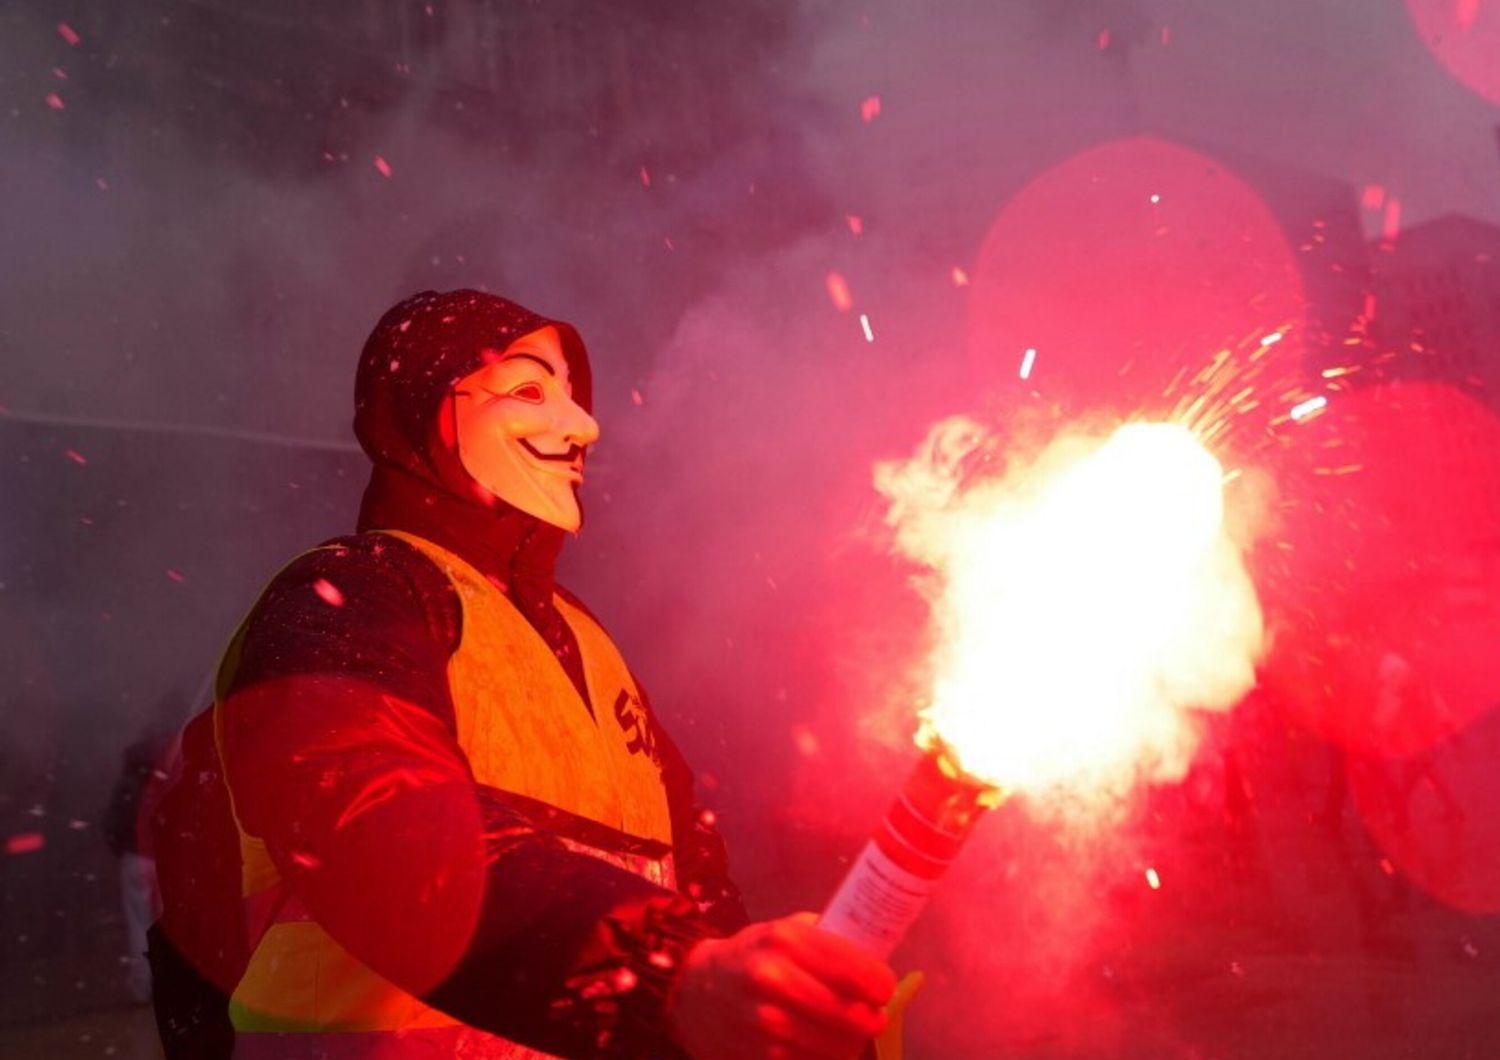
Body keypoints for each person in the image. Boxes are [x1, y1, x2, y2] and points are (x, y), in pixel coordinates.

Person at [187, 289, 894, 1059]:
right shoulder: (351, 596)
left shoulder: (587, 638)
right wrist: (668, 976)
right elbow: (384, 843)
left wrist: (759, 1000)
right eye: (529, 389)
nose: (582, 424)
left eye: (572, 393)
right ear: (428, 411)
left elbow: (691, 875)